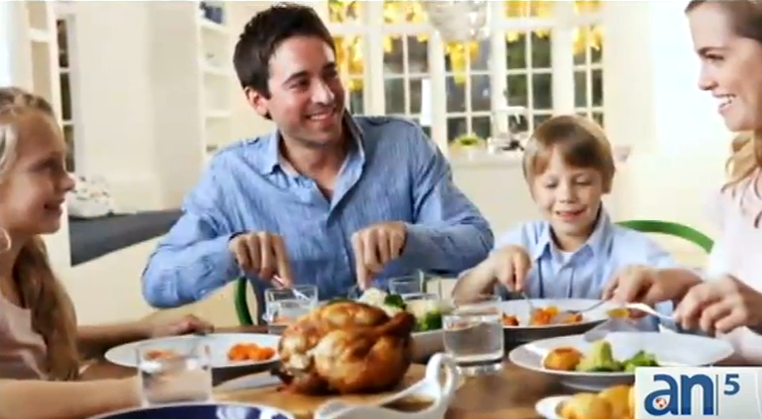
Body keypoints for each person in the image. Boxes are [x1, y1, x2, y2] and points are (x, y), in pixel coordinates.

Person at [141, 3, 493, 313]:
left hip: (402, 354)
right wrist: (230, 252)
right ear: (258, 100)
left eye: (330, 74)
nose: (325, 95)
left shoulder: (403, 143)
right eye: (300, 83)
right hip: (299, 368)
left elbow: (476, 241)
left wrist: (408, 237)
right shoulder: (232, 175)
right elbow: (156, 283)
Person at [0, 86, 213, 417]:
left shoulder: (24, 261)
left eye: (64, 163)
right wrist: (141, 389)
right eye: (47, 166)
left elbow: (37, 344)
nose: (69, 181)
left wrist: (145, 331)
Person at [604, 0, 762, 365]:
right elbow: (754, 291)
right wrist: (685, 284)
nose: (703, 81)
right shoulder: (741, 190)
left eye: (716, 57)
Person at [452, 115, 679, 317]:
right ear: (532, 189)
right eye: (551, 184)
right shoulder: (518, 242)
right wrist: (490, 268)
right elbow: (459, 302)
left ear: (607, 182)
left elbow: (687, 315)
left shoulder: (639, 253)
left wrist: (667, 283)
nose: (566, 196)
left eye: (582, 182)